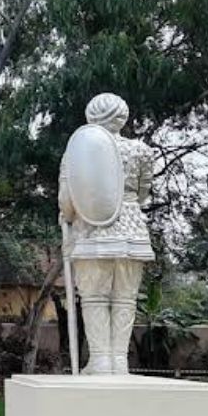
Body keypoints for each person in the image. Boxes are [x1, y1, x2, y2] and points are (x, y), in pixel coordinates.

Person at [58, 93, 156, 375]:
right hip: (132, 229)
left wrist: (67, 216)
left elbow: (67, 197)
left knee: (94, 297)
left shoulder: (77, 151)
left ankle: (101, 360)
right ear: (122, 117)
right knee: (125, 297)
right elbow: (143, 193)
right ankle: (119, 361)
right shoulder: (141, 151)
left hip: (91, 229)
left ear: (91, 116)